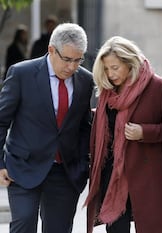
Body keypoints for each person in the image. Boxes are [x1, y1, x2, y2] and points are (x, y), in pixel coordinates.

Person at [85, 36, 162, 233]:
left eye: (115, 68)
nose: (110, 73)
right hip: (112, 173)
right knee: (115, 229)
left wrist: (145, 132)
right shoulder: (107, 91)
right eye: (106, 68)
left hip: (147, 174)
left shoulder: (158, 87)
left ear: (130, 63)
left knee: (150, 227)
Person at [0, 23, 93, 233]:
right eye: (67, 59)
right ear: (51, 50)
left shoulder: (85, 80)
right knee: (23, 224)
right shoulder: (21, 73)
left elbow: (84, 125)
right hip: (23, 167)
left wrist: (83, 162)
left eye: (78, 60)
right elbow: (2, 120)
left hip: (64, 172)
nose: (72, 67)